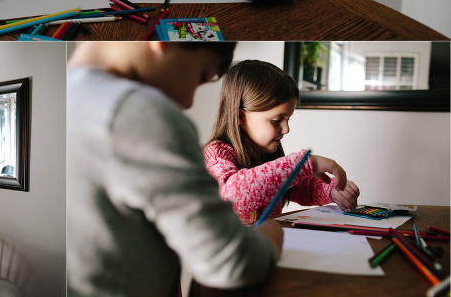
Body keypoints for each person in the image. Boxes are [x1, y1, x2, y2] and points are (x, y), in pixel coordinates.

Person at [67, 40, 282, 297]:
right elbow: (231, 262)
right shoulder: (139, 112)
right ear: (167, 40)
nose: (188, 102)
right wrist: (272, 234)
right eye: (202, 75)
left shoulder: (69, 96)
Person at [203, 59, 361, 225]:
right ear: (240, 117)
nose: (286, 129)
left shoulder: (263, 153)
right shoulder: (215, 155)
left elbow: (300, 188)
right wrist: (305, 164)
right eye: (277, 120)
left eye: (288, 120)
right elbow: (232, 196)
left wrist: (332, 191)